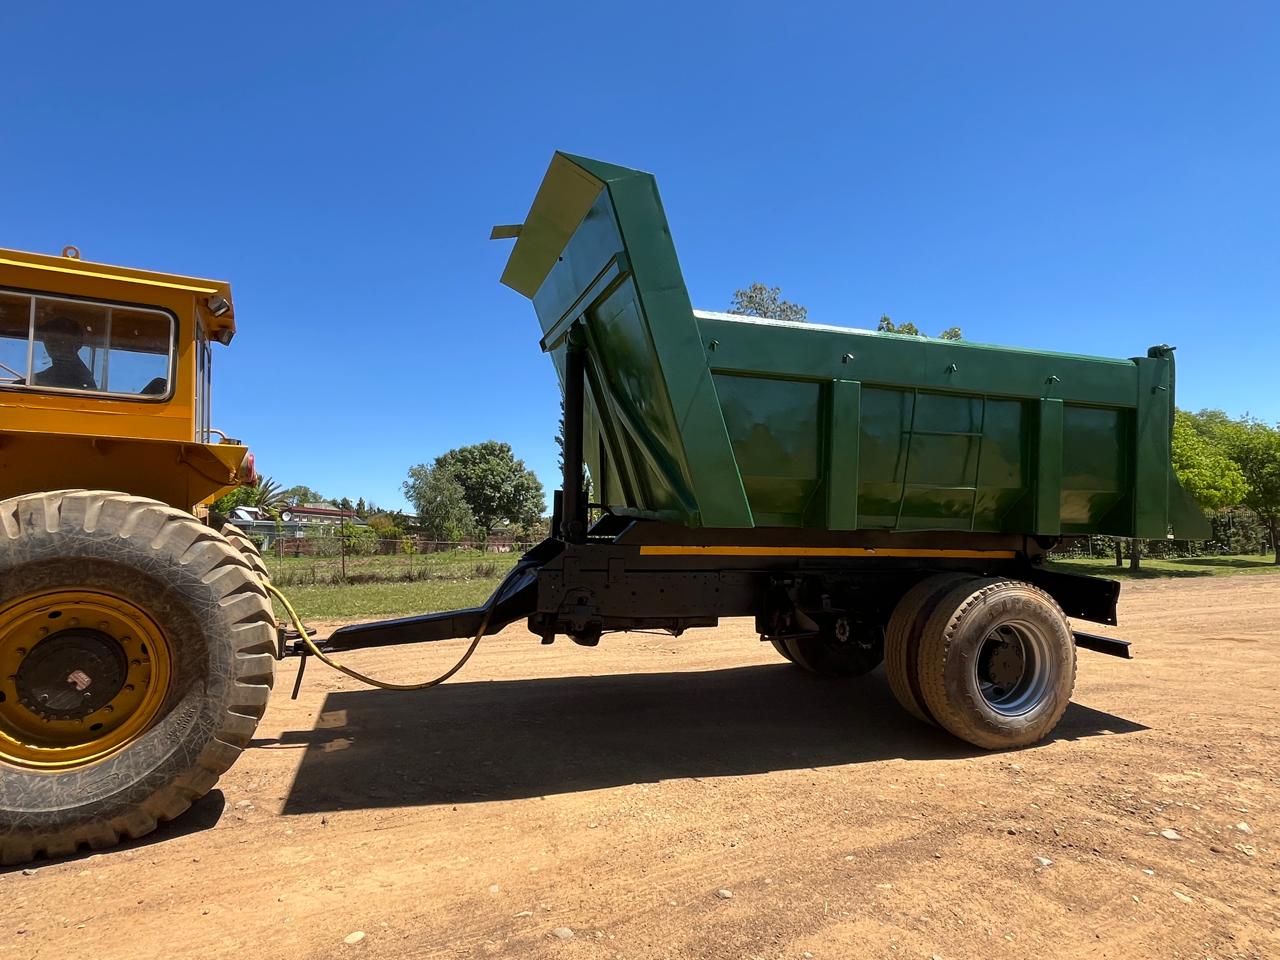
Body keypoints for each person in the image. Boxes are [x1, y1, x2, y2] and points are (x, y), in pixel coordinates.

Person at [33, 316, 96, 390]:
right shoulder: (59, 370)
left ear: (76, 343)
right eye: (47, 339)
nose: (51, 344)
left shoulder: (76, 373)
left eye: (57, 339)